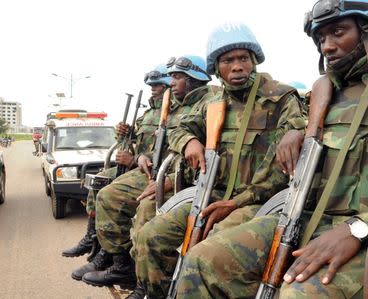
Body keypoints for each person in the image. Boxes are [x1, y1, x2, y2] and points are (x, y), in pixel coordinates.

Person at [175, 1, 368, 298]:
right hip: (304, 219)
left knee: (297, 294)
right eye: (321, 39)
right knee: (200, 262)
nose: (327, 46)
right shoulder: (324, 92)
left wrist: (357, 229)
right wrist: (297, 131)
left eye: (338, 32)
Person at [133, 22, 306, 298]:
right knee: (150, 237)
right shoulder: (214, 103)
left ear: (253, 62)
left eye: (243, 59)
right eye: (228, 60)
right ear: (216, 68)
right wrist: (188, 141)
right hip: (213, 195)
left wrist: (238, 202)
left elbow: (280, 169)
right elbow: (180, 127)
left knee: (209, 248)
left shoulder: (280, 99)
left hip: (257, 202)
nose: (237, 66)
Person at [80, 55, 215, 296]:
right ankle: (116, 259)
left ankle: (145, 282)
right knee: (107, 192)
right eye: (170, 77)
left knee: (145, 214)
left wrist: (161, 175)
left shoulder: (209, 102)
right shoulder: (182, 105)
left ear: (195, 78)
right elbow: (168, 140)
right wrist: (136, 151)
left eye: (177, 77)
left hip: (187, 180)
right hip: (164, 173)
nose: (170, 83)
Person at [65, 63, 171, 278]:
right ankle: (94, 239)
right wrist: (125, 134)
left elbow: (165, 152)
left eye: (158, 84)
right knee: (97, 180)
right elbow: (137, 140)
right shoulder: (149, 113)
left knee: (109, 194)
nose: (153, 88)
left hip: (151, 171)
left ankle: (117, 257)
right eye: (151, 85)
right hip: (136, 166)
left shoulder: (171, 113)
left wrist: (132, 160)